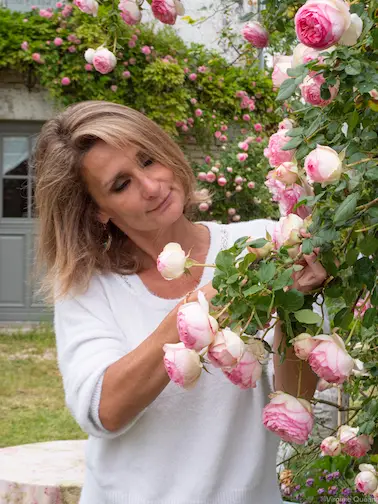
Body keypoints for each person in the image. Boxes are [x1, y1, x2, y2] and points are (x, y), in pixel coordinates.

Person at [33, 101, 326, 504]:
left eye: (148, 160)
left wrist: (297, 306)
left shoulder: (261, 245)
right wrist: (197, 310)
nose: (151, 186)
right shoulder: (90, 288)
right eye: (121, 184)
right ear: (98, 210)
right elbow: (104, 412)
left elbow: (295, 399)